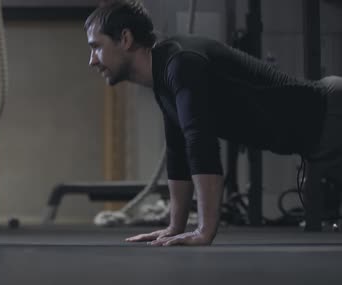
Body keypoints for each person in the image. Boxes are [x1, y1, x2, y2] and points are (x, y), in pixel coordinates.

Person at [84, 0, 342, 245]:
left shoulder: (180, 63)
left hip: (332, 115)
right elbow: (178, 153)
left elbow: (201, 142)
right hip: (321, 140)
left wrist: (204, 231)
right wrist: (176, 226)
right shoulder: (164, 77)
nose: (92, 60)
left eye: (96, 46)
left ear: (125, 39)